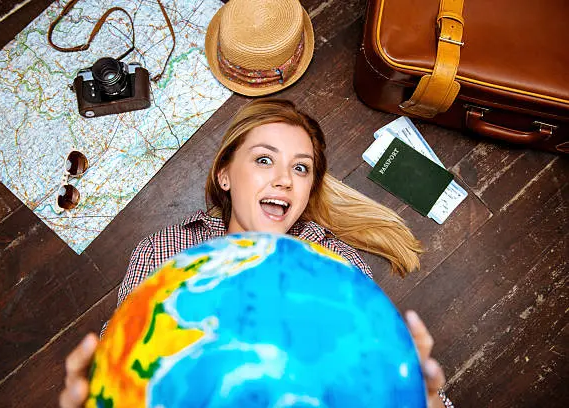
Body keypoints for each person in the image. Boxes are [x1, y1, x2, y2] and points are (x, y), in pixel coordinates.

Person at [59, 99, 452, 408]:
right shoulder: (163, 252)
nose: (284, 179)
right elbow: (117, 365)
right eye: (265, 160)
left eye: (301, 169)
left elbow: (380, 376)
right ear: (224, 175)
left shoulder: (335, 267)